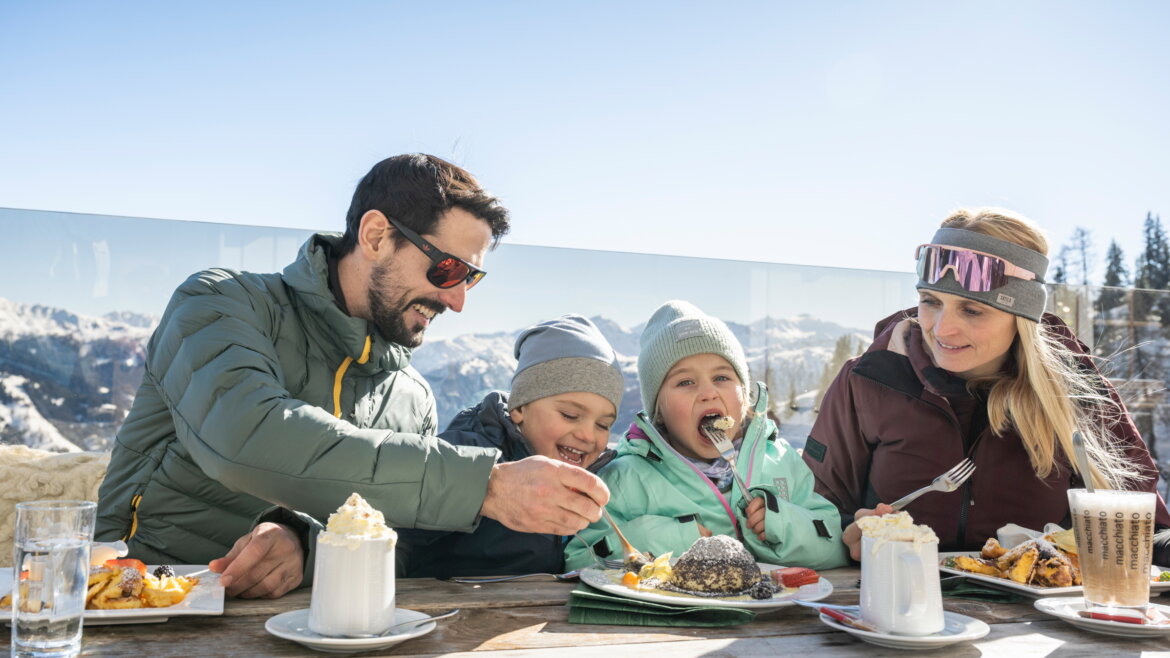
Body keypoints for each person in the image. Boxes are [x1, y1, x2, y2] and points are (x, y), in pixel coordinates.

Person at [94, 154, 610, 598]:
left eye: (470, 278)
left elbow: (401, 545)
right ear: (376, 235)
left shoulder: (411, 396)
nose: (457, 300)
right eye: (448, 270)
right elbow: (245, 436)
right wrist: (487, 486)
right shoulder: (221, 303)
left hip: (307, 617)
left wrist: (307, 548)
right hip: (143, 593)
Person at [803, 207, 1170, 562]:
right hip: (896, 595)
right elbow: (811, 514)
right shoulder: (869, 380)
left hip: (1040, 601)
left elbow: (1147, 529)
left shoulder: (1075, 389)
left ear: (1020, 316)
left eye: (972, 310)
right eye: (930, 301)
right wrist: (849, 532)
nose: (942, 329)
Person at [565, 301, 848, 572]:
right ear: (659, 412)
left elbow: (835, 546)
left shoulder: (781, 461)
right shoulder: (625, 478)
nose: (709, 393)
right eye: (685, 382)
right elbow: (579, 559)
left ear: (744, 395)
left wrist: (781, 524)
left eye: (722, 378)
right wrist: (671, 540)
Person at [396, 314, 625, 578]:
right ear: (519, 408)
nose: (587, 435)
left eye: (603, 425)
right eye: (570, 415)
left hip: (531, 600)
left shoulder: (594, 479)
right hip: (449, 598)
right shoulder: (467, 454)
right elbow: (402, 528)